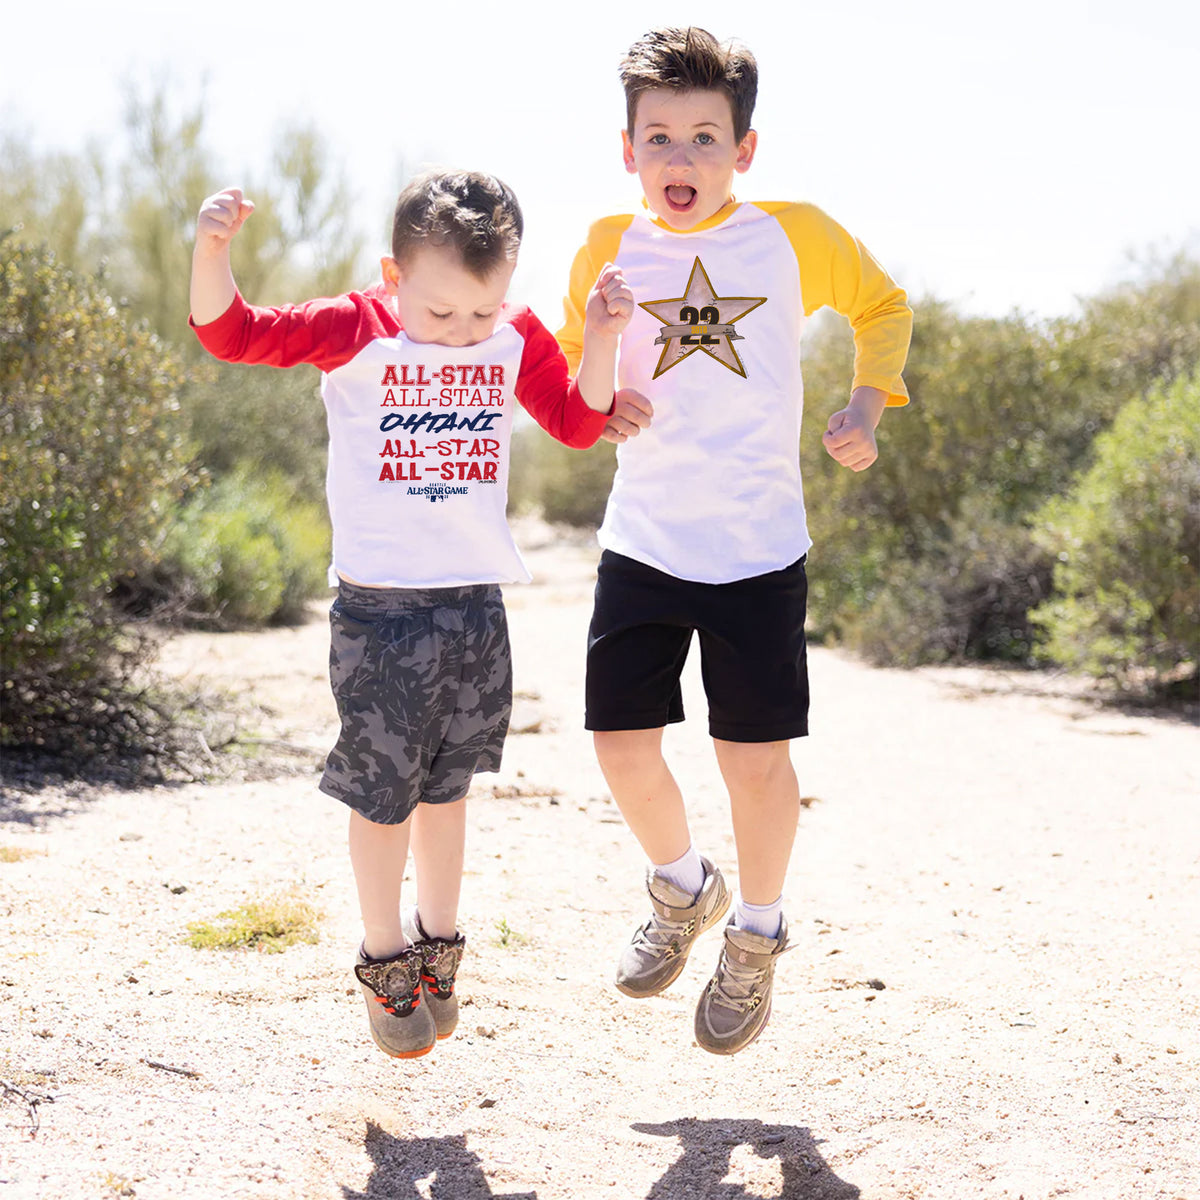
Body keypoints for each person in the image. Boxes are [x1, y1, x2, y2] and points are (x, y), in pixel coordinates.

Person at [190, 168, 643, 1060]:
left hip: (474, 607)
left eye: (482, 313)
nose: (462, 332)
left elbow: (577, 422)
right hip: (383, 614)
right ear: (392, 277)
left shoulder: (511, 335)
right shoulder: (354, 328)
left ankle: (439, 947)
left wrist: (600, 340)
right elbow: (230, 333)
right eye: (439, 315)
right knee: (384, 797)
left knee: (449, 791)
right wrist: (212, 251)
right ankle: (383, 952)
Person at [557, 26, 913, 1055]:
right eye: (659, 138)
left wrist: (863, 409)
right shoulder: (602, 246)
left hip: (758, 547)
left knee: (751, 762)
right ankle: (682, 886)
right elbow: (581, 386)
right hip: (644, 537)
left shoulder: (793, 235)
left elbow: (882, 305)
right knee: (620, 747)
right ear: (627, 150)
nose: (682, 160)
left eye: (705, 138)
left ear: (743, 151)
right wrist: (606, 373)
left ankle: (755, 934)